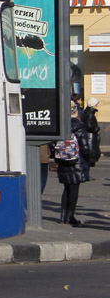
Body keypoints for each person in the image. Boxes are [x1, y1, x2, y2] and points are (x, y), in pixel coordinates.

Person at [56, 97, 92, 226]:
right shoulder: (78, 125)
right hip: (76, 161)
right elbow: (85, 146)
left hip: (63, 160)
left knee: (66, 189)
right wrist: (89, 158)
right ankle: (71, 216)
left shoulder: (59, 125)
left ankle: (62, 217)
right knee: (74, 189)